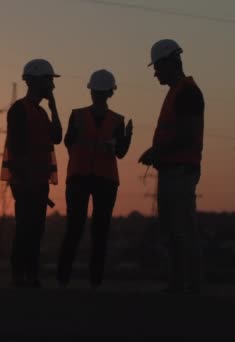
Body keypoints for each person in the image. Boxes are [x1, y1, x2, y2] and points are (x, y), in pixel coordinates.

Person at [138, 39, 205, 294]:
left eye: (157, 67)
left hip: (180, 170)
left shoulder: (187, 92)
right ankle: (179, 283)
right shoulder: (178, 91)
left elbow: (188, 133)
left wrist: (157, 151)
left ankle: (190, 284)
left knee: (183, 229)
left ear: (169, 63)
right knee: (174, 229)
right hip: (172, 169)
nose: (155, 73)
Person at [57, 69, 133, 288]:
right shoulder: (77, 115)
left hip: (105, 180)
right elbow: (68, 141)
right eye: (96, 92)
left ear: (109, 93)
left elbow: (120, 153)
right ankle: (63, 278)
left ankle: (94, 281)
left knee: (100, 231)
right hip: (80, 178)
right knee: (75, 228)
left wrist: (126, 139)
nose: (98, 96)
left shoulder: (117, 121)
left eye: (101, 92)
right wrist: (75, 134)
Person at [0, 58, 62, 288]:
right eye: (48, 81)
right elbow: (15, 148)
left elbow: (57, 136)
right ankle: (20, 275)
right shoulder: (19, 110)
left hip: (39, 180)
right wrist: (26, 180)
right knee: (25, 227)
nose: (52, 86)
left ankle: (31, 275)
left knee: (36, 230)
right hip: (25, 181)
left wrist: (54, 106)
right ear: (36, 81)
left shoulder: (42, 112)